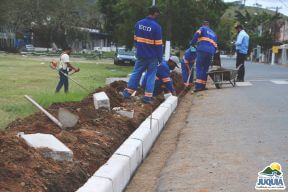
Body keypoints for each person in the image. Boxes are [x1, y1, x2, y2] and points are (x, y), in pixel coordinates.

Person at [122, 6, 163, 104]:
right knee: (151, 76)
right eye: (158, 13)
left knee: (136, 73)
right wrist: (160, 58)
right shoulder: (157, 27)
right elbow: (158, 45)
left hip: (141, 55)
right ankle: (147, 97)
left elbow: (135, 40)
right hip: (152, 56)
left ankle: (128, 93)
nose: (158, 15)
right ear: (154, 13)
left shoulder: (138, 24)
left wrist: (139, 50)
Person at [190, 21, 218, 92]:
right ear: (209, 25)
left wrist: (192, 43)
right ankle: (203, 86)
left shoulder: (202, 28)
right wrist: (212, 52)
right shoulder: (214, 34)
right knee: (205, 69)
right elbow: (215, 46)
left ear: (203, 25)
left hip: (202, 49)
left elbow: (197, 34)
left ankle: (198, 87)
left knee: (199, 67)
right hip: (210, 52)